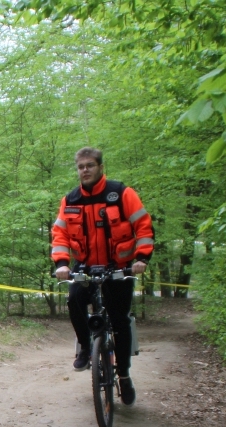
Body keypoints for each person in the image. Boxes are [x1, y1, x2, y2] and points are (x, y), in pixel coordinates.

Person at [51, 147, 154, 405]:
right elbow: (60, 235)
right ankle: (86, 348)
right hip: (84, 267)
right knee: (74, 299)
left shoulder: (121, 194)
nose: (85, 170)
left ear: (100, 167)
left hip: (119, 268)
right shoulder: (70, 200)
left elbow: (143, 226)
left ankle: (124, 375)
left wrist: (141, 259)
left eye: (90, 165)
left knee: (120, 322)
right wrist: (62, 264)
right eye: (80, 167)